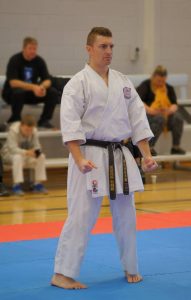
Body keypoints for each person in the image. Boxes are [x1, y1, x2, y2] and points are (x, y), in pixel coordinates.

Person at [51, 27, 157, 290]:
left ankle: (131, 266)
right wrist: (77, 158)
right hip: (89, 155)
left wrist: (145, 156)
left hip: (120, 154)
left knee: (127, 215)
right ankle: (62, 273)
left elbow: (137, 120)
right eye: (103, 46)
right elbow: (70, 123)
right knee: (82, 215)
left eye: (111, 46)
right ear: (89, 48)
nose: (109, 51)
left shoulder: (123, 81)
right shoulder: (78, 83)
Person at [2, 37, 58, 129]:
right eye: (30, 48)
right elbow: (13, 82)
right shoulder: (15, 60)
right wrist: (34, 87)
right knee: (18, 92)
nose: (33, 51)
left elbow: (47, 80)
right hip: (12, 93)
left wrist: (42, 88)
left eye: (35, 49)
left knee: (53, 93)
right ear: (24, 48)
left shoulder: (39, 61)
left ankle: (44, 121)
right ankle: (15, 119)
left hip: (32, 93)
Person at [136, 65, 186, 156]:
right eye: (158, 81)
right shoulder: (146, 85)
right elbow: (138, 101)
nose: (160, 83)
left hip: (164, 114)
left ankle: (175, 147)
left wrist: (169, 111)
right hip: (147, 115)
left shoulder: (168, 88)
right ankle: (149, 147)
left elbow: (174, 104)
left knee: (178, 118)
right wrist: (150, 110)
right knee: (159, 118)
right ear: (153, 76)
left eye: (163, 81)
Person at [1, 114, 48, 195]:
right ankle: (16, 185)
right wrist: (26, 152)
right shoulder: (13, 130)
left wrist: (36, 152)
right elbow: (12, 149)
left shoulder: (34, 131)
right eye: (26, 130)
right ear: (21, 125)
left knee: (41, 156)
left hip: (25, 155)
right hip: (8, 155)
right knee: (17, 157)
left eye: (30, 130)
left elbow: (38, 146)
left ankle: (38, 184)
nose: (29, 132)